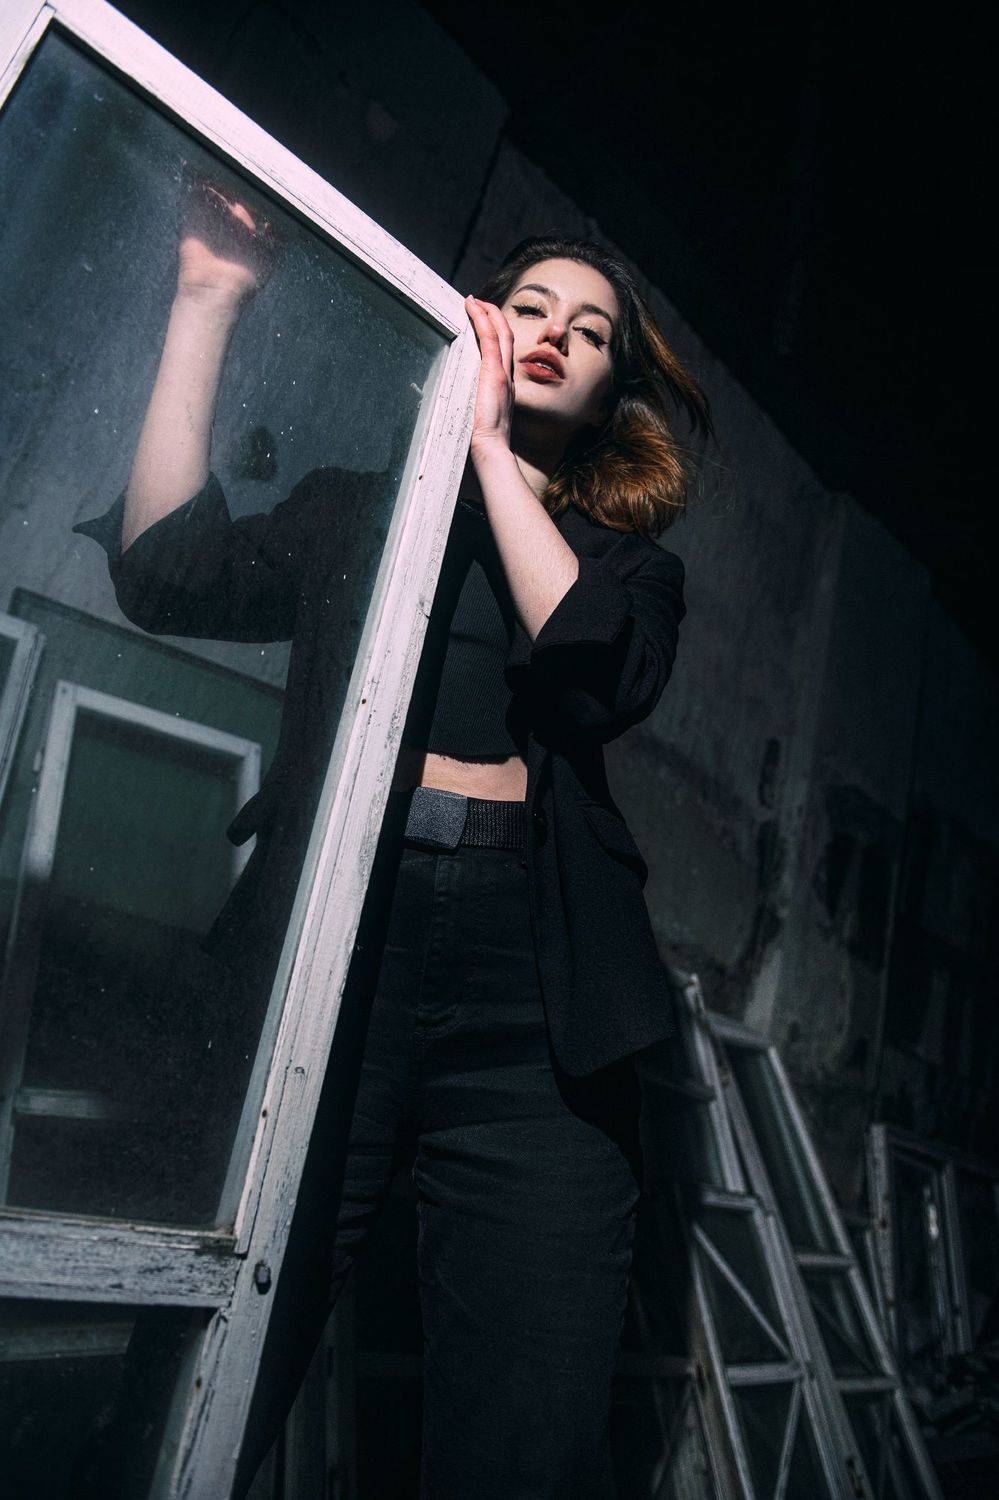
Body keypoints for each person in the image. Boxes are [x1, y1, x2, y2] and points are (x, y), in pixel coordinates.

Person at [75, 179, 711, 1497]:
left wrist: (490, 450)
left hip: (535, 1006)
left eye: (589, 331)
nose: (554, 331)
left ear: (610, 393)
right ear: (478, 321)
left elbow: (592, 667)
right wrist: (207, 295)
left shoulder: (627, 567)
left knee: (529, 1434)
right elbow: (164, 572)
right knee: (200, 1376)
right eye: (530, 305)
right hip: (336, 942)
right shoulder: (358, 508)